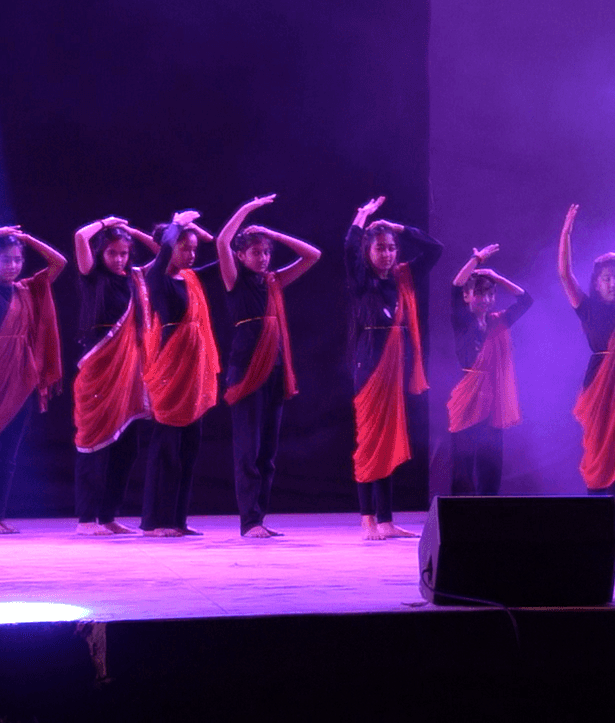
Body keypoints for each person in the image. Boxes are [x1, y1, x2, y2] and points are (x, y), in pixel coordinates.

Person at [216, 194, 321, 538]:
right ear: (241, 256)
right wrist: (248, 210)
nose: (262, 258)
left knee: (267, 453)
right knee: (248, 450)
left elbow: (313, 255)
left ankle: (259, 518)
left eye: (265, 252)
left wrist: (272, 234)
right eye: (255, 252)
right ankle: (249, 522)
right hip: (247, 370)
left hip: (275, 371)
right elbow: (222, 241)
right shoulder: (235, 281)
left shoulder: (274, 281)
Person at [345, 196, 443, 541]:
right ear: (368, 251)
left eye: (390, 248)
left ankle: (386, 520)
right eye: (379, 248)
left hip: (394, 367)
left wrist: (398, 227)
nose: (386, 254)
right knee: (369, 440)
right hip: (369, 365)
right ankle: (367, 519)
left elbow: (434, 249)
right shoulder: (361, 279)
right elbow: (348, 248)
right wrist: (362, 216)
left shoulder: (402, 277)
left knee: (385, 442)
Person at [0, 225, 66, 534]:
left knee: (9, 453)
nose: (13, 265)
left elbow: (59, 262)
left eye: (18, 259)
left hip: (22, 376)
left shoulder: (27, 289)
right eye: (6, 259)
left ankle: (0, 517)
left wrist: (28, 240)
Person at [71, 216, 158, 537]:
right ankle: (86, 519)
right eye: (112, 253)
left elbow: (163, 252)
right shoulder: (92, 276)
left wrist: (132, 232)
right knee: (95, 442)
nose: (119, 259)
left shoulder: (136, 277)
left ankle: (108, 516)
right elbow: (80, 236)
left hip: (130, 371)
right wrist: (106, 223)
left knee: (127, 447)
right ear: (101, 253)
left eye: (124, 253)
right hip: (100, 367)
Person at [559, 201, 615, 540]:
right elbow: (565, 274)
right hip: (598, 384)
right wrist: (567, 231)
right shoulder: (587, 307)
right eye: (607, 278)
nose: (614, 283)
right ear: (597, 283)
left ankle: (612, 525)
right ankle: (595, 523)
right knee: (597, 451)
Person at [140, 210, 221, 537]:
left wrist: (205, 234)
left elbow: (225, 258)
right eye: (183, 248)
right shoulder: (156, 277)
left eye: (193, 249)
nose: (190, 254)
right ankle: (155, 522)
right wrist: (176, 225)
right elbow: (162, 255)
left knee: (188, 450)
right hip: (170, 369)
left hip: (194, 370)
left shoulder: (191, 279)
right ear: (168, 247)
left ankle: (177, 520)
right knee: (166, 451)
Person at [446, 243, 532, 497]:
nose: (485, 299)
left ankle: (488, 510)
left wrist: (496, 277)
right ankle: (462, 512)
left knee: (491, 462)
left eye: (490, 294)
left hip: (493, 399)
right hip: (468, 398)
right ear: (467, 297)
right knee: (463, 463)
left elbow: (526, 300)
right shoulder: (463, 321)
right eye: (479, 294)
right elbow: (455, 286)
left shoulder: (499, 322)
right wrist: (476, 260)